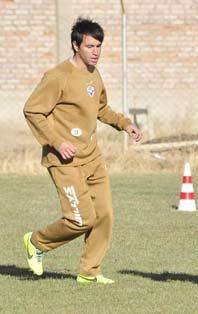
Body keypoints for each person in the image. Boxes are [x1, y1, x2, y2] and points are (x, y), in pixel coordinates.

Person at [22, 17, 143, 284]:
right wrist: (56, 141)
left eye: (99, 46)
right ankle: (36, 242)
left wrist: (125, 124)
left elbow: (100, 108)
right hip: (65, 161)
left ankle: (89, 271)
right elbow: (33, 110)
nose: (96, 52)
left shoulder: (94, 74)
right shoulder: (57, 76)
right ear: (76, 45)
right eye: (90, 46)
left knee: (104, 215)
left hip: (92, 158)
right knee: (80, 219)